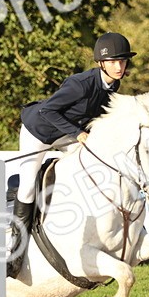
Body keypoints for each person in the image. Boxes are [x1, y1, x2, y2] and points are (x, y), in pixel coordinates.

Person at [9, 31, 136, 274]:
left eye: (122, 61)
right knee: (26, 186)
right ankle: (15, 249)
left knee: (94, 163)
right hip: (39, 132)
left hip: (67, 133)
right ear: (101, 63)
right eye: (113, 62)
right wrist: (77, 134)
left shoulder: (113, 84)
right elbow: (49, 111)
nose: (119, 66)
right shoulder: (80, 84)